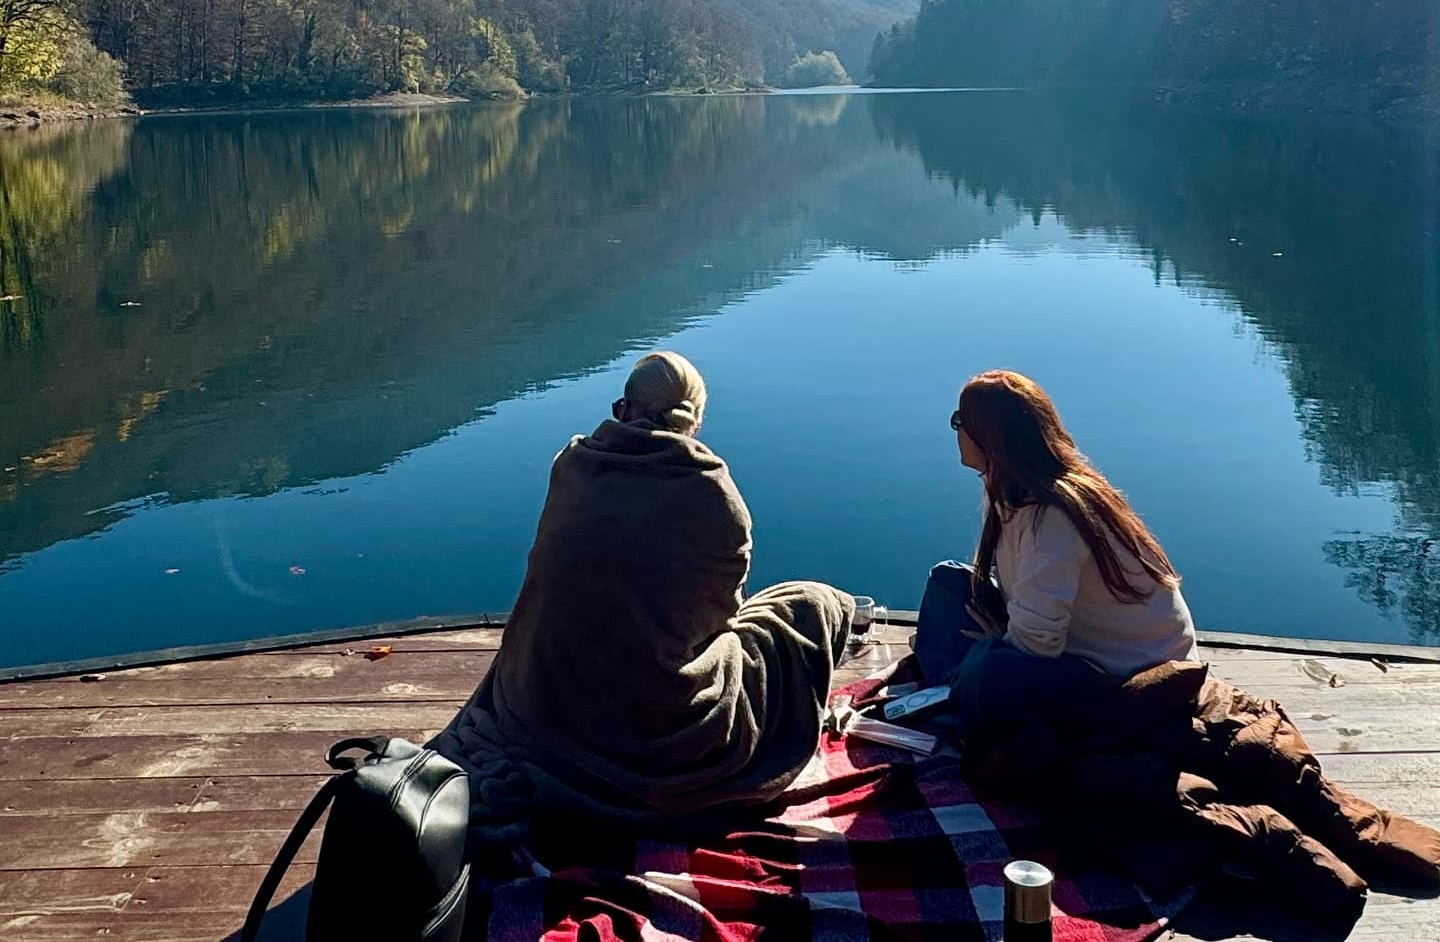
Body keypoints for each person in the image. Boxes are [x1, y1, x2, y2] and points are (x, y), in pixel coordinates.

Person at [432, 351, 853, 824]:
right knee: (812, 605)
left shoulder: (573, 465)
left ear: (622, 410)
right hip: (653, 730)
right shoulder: (714, 495)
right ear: (694, 422)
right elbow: (718, 624)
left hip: (541, 705)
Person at [915, 369, 1197, 738]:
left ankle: (957, 693)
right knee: (948, 583)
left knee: (988, 671)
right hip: (1072, 647)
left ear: (990, 438)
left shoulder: (1054, 515)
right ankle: (958, 689)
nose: (956, 431)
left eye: (959, 421)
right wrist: (1000, 636)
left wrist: (996, 642)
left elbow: (1037, 644)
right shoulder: (1009, 487)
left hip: (1128, 676)